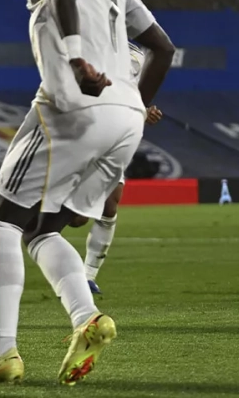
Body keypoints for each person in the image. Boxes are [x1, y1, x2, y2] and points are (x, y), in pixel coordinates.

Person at [0, 0, 175, 392]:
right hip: (126, 116)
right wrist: (137, 105)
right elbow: (162, 48)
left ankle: (3, 352)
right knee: (43, 228)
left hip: (74, 105)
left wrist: (77, 56)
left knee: (2, 223)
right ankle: (87, 317)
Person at [71, 42, 164, 294]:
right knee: (77, 219)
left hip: (116, 133)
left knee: (111, 203)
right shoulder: (94, 40)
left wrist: (145, 112)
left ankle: (88, 276)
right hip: (88, 128)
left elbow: (133, 94)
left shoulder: (140, 54)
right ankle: (35, 221)